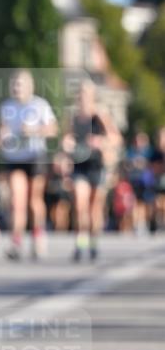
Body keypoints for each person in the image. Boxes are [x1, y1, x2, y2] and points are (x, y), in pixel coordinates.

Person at [0, 69, 58, 260]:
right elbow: (3, 129)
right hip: (14, 157)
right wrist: (3, 136)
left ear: (30, 86)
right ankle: (16, 241)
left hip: (35, 156)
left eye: (20, 84)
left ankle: (38, 235)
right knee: (17, 199)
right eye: (14, 85)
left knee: (34, 200)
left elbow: (53, 129)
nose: (17, 88)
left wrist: (34, 130)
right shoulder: (6, 106)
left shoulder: (40, 105)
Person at [63, 80, 121, 261]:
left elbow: (115, 138)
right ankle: (80, 244)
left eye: (86, 94)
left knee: (95, 208)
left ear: (93, 96)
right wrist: (67, 145)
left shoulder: (100, 117)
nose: (83, 98)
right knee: (80, 205)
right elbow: (66, 138)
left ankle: (94, 241)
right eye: (80, 95)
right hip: (80, 166)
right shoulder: (73, 118)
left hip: (97, 166)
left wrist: (99, 142)